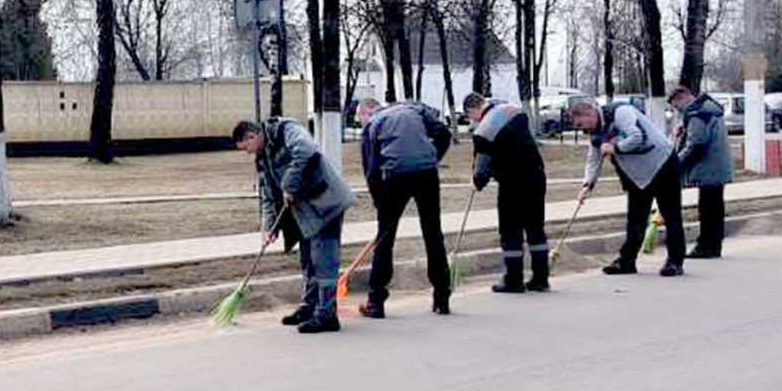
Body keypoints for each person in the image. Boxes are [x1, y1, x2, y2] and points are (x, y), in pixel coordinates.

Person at [233, 118, 357, 333]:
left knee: (324, 260)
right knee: (308, 259)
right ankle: (309, 307)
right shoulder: (262, 158)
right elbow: (268, 195)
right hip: (305, 213)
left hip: (325, 203)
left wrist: (289, 184)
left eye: (247, 148)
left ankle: (326, 314)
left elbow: (307, 150)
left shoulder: (286, 130)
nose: (248, 153)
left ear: (253, 136)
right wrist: (270, 228)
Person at [357, 98, 453, 318]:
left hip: (394, 176)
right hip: (427, 174)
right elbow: (444, 134)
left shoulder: (373, 124)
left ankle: (376, 301)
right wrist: (432, 157)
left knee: (385, 240)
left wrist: (378, 201)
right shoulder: (415, 109)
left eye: (359, 119)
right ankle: (442, 296)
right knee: (433, 233)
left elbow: (371, 169)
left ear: (365, 113)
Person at [568, 100, 686, 277]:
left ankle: (675, 261)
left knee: (671, 215)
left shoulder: (621, 113)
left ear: (589, 113)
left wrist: (615, 147)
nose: (582, 129)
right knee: (635, 219)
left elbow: (637, 137)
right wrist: (587, 184)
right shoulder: (595, 132)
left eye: (580, 124)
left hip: (662, 164)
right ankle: (627, 261)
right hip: (637, 176)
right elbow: (593, 158)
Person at [463, 93, 549, 293]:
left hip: (513, 182)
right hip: (536, 175)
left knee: (511, 229)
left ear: (472, 109)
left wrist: (477, 182)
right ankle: (541, 278)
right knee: (535, 228)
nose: (472, 120)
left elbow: (482, 165)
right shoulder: (513, 111)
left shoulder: (484, 130)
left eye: (469, 116)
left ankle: (513, 280)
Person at [669, 86, 733, 258]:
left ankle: (705, 246)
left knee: (707, 209)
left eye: (677, 106)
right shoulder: (709, 109)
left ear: (683, 98)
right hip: (717, 165)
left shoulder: (698, 113)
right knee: (715, 207)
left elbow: (696, 144)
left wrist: (675, 163)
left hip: (708, 167)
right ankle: (714, 246)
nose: (678, 111)